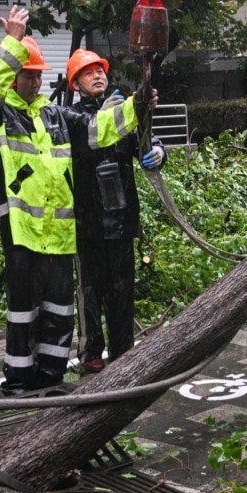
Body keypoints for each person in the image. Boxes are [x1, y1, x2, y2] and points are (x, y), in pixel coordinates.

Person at [0, 6, 155, 395]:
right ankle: (19, 386)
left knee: (59, 315)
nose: (36, 81)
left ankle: (51, 382)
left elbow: (99, 129)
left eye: (39, 74)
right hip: (23, 236)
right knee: (24, 316)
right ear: (14, 76)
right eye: (29, 74)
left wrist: (137, 106)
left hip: (59, 237)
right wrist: (14, 44)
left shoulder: (56, 116)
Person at [65, 48, 166, 374]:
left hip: (121, 219)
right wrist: (127, 110)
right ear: (75, 84)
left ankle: (123, 352)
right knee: (91, 291)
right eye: (88, 72)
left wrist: (158, 153)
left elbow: (149, 140)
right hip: (87, 222)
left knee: (122, 289)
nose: (98, 75)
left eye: (100, 71)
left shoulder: (125, 115)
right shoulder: (70, 119)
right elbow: (93, 129)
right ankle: (92, 352)